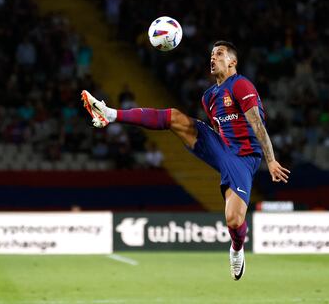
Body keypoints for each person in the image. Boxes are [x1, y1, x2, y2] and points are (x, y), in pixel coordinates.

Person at [81, 40, 290, 281]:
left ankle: (236, 248)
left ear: (232, 61)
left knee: (233, 220)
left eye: (219, 54)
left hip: (244, 158)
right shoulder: (209, 97)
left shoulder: (241, 85)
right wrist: (213, 149)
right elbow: (218, 128)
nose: (213, 58)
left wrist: (270, 159)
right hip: (221, 148)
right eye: (211, 54)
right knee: (175, 118)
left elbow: (257, 124)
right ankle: (110, 114)